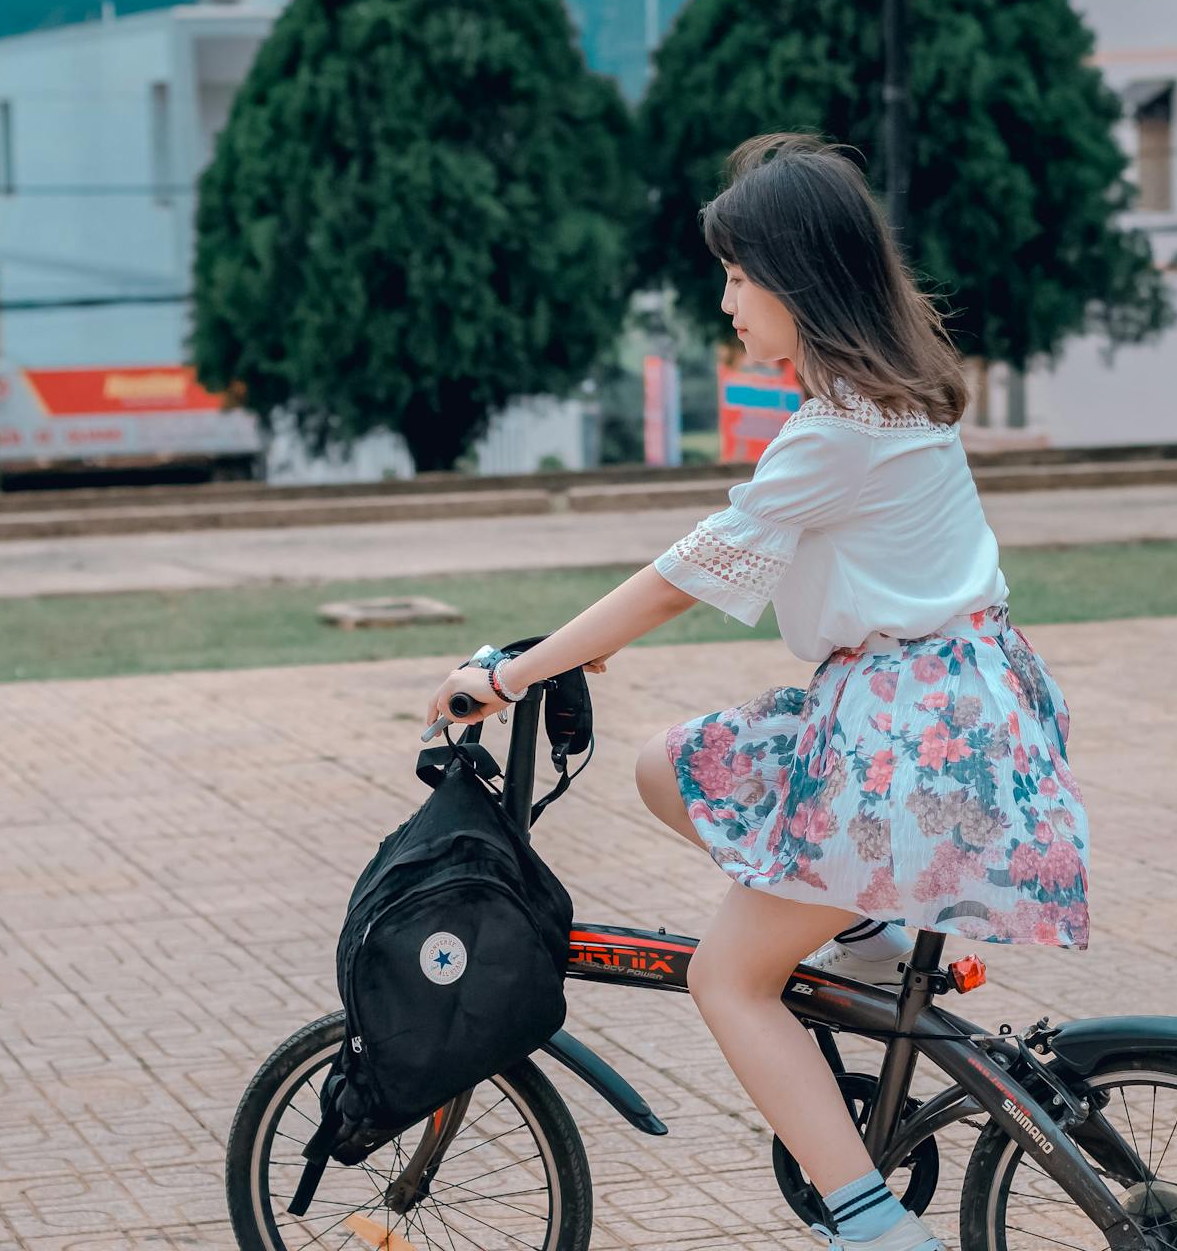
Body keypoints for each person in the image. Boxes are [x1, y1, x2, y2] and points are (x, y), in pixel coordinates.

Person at [427, 132, 1090, 1251]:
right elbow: (714, 564)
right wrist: (581, 652)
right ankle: (871, 931)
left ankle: (874, 1225)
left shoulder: (837, 431)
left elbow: (687, 569)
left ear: (803, 280)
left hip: (907, 734)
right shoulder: (886, 400)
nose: (726, 298)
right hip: (933, 711)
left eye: (741, 274)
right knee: (664, 764)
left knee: (729, 977)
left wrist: (514, 672)